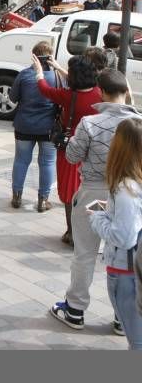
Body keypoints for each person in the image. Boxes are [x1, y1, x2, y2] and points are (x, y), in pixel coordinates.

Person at [49, 70, 140, 331]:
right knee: (128, 256)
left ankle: (75, 309)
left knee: (84, 254)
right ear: (126, 91)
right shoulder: (138, 122)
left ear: (101, 91)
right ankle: (123, 317)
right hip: (131, 193)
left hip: (93, 192)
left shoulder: (89, 122)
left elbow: (72, 156)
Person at [34, 55, 102, 245]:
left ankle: (71, 232)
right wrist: (59, 67)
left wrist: (39, 72)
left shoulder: (68, 96)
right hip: (93, 152)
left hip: (69, 151)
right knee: (93, 191)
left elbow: (45, 89)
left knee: (70, 193)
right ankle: (92, 231)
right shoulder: (99, 94)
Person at [89, 118, 142, 349]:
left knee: (137, 342)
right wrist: (111, 210)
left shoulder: (125, 189)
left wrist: (98, 217)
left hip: (126, 271)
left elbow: (124, 237)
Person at [9, 42, 58, 212]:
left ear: (34, 56)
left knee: (21, 160)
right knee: (47, 163)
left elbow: (13, 98)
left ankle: (17, 196)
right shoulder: (56, 78)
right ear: (50, 57)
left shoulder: (23, 75)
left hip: (24, 125)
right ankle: (43, 200)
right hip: (49, 128)